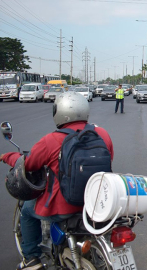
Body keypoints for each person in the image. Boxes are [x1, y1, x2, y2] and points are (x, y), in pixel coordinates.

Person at [0, 92, 114, 270]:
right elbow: (109, 159)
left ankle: (31, 259)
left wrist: (9, 156)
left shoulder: (51, 140)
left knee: (28, 212)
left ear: (59, 112)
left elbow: (27, 164)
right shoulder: (102, 134)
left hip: (63, 207)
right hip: (96, 204)